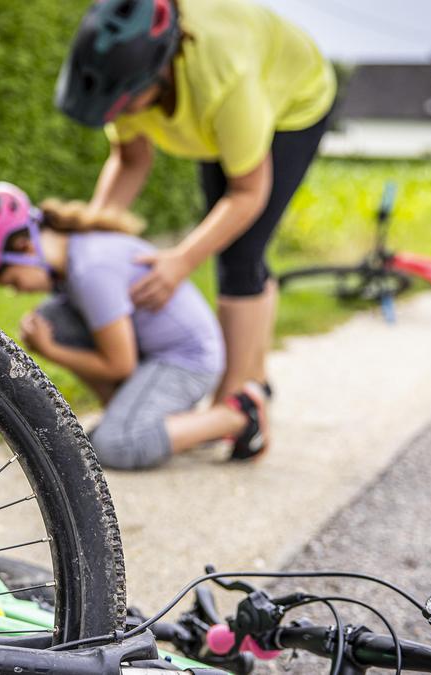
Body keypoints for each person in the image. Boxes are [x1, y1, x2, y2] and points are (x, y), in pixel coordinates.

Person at [54, 0, 335, 459]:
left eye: (125, 103)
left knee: (239, 255)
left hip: (293, 100)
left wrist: (180, 261)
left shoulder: (224, 79)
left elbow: (247, 193)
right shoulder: (125, 76)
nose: (121, 114)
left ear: (159, 74)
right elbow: (130, 160)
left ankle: (232, 412)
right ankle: (255, 379)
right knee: (244, 248)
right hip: (218, 106)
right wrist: (87, 240)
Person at [0, 181, 268, 470]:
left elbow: (120, 365)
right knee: (52, 319)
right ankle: (130, 414)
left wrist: (52, 351)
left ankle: (237, 416)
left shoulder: (90, 270)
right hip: (155, 354)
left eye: (11, 280)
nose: (16, 290)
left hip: (187, 362)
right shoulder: (75, 259)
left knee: (114, 445)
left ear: (25, 249)